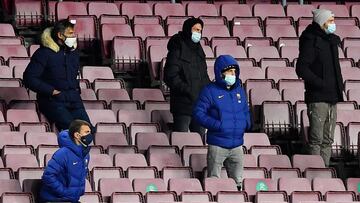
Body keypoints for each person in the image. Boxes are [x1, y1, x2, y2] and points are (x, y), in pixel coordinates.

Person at [193, 55, 251, 189]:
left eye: (235, 72)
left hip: (237, 145)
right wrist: (217, 125)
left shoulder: (239, 91)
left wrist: (246, 124)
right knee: (214, 182)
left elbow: (245, 110)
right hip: (217, 145)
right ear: (221, 73)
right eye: (230, 72)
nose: (233, 74)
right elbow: (198, 113)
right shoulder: (209, 91)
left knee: (238, 183)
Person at [23, 19, 92, 131]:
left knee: (88, 131)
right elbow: (29, 78)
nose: (74, 36)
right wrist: (52, 91)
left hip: (74, 98)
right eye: (70, 33)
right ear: (60, 35)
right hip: (52, 100)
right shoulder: (43, 53)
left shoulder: (73, 53)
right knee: (73, 131)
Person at [296, 9, 344, 166]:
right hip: (318, 98)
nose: (333, 24)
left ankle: (325, 170)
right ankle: (315, 170)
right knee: (316, 139)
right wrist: (321, 83)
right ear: (322, 22)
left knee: (328, 139)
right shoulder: (311, 40)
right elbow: (301, 68)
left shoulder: (331, 41)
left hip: (332, 96)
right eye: (330, 21)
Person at [164, 17, 210, 136]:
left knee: (199, 141)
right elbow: (170, 76)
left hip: (199, 106)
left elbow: (204, 75)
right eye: (195, 30)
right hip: (182, 105)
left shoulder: (199, 50)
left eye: (200, 31)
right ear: (188, 29)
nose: (198, 33)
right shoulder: (177, 49)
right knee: (181, 139)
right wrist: (188, 90)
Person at [39, 119, 92, 203]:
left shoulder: (85, 155)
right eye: (87, 132)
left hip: (71, 199)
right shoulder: (63, 153)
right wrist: (64, 192)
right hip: (54, 199)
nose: (90, 135)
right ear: (77, 135)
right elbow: (48, 176)